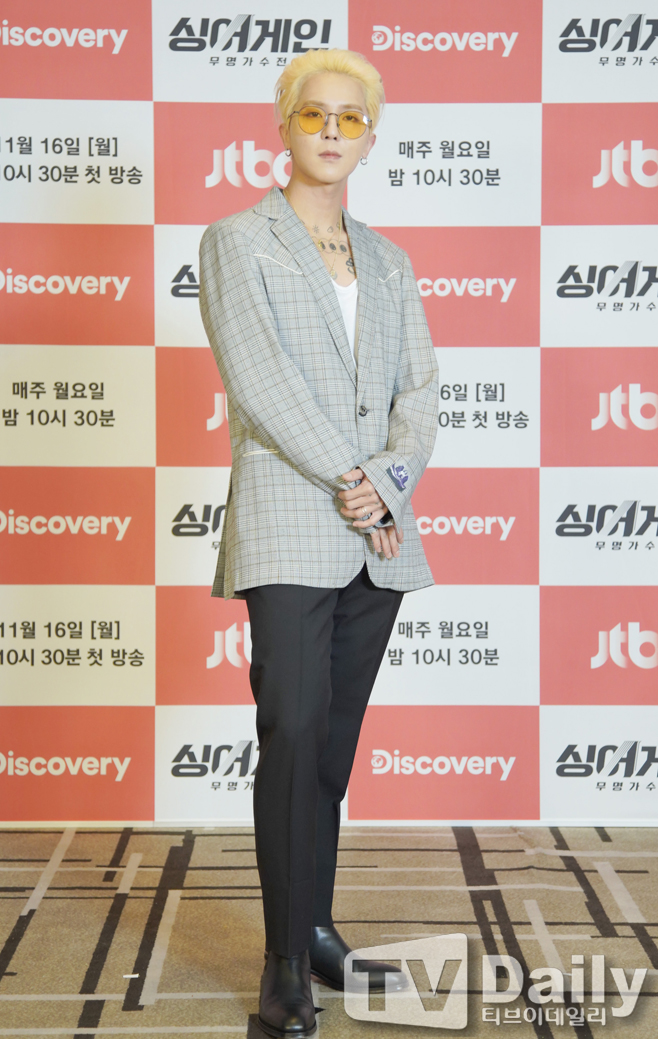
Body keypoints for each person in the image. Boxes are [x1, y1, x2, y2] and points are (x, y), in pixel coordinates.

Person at [199, 48, 439, 1039]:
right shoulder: (236, 240)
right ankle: (284, 964)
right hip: (294, 521)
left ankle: (318, 927)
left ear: (370, 138)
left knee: (331, 752)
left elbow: (419, 390)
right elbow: (259, 379)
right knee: (292, 738)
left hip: (377, 534)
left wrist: (388, 480)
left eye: (350, 118)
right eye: (314, 114)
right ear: (284, 125)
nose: (332, 131)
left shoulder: (387, 260)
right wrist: (354, 476)